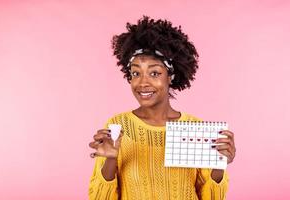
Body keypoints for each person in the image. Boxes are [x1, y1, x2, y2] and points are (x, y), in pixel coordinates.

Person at [88, 16, 236, 200]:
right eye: (135, 73)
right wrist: (111, 160)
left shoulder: (195, 128)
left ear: (170, 76)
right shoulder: (118, 125)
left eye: (154, 73)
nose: (143, 83)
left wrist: (219, 165)